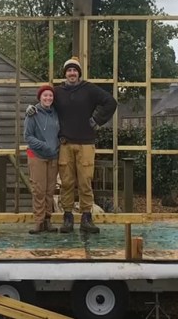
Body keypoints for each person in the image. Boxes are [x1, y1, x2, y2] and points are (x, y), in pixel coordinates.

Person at [28, 57, 117, 233]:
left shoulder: (90, 89)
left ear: (79, 73)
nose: (72, 73)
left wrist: (97, 119)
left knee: (85, 182)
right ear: (65, 73)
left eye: (75, 70)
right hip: (65, 144)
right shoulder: (58, 92)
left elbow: (111, 102)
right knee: (67, 183)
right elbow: (45, 103)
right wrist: (31, 109)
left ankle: (86, 218)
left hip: (86, 144)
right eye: (69, 70)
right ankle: (67, 217)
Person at [24, 84, 60, 234]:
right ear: (40, 97)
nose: (48, 98)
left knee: (49, 190)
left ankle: (47, 220)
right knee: (39, 190)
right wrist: (44, 145)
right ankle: (38, 222)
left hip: (53, 157)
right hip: (37, 156)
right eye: (45, 95)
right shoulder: (32, 114)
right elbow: (28, 136)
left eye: (50, 95)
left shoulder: (56, 113)